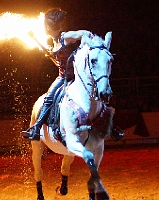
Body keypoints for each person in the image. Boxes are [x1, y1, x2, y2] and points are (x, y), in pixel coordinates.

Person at [23, 8, 124, 141]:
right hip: (62, 77)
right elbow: (61, 61)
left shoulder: (65, 37)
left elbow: (83, 33)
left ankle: (111, 128)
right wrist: (53, 53)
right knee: (49, 98)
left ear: (48, 27)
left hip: (77, 76)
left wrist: (87, 41)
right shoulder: (54, 42)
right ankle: (36, 129)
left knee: (96, 95)